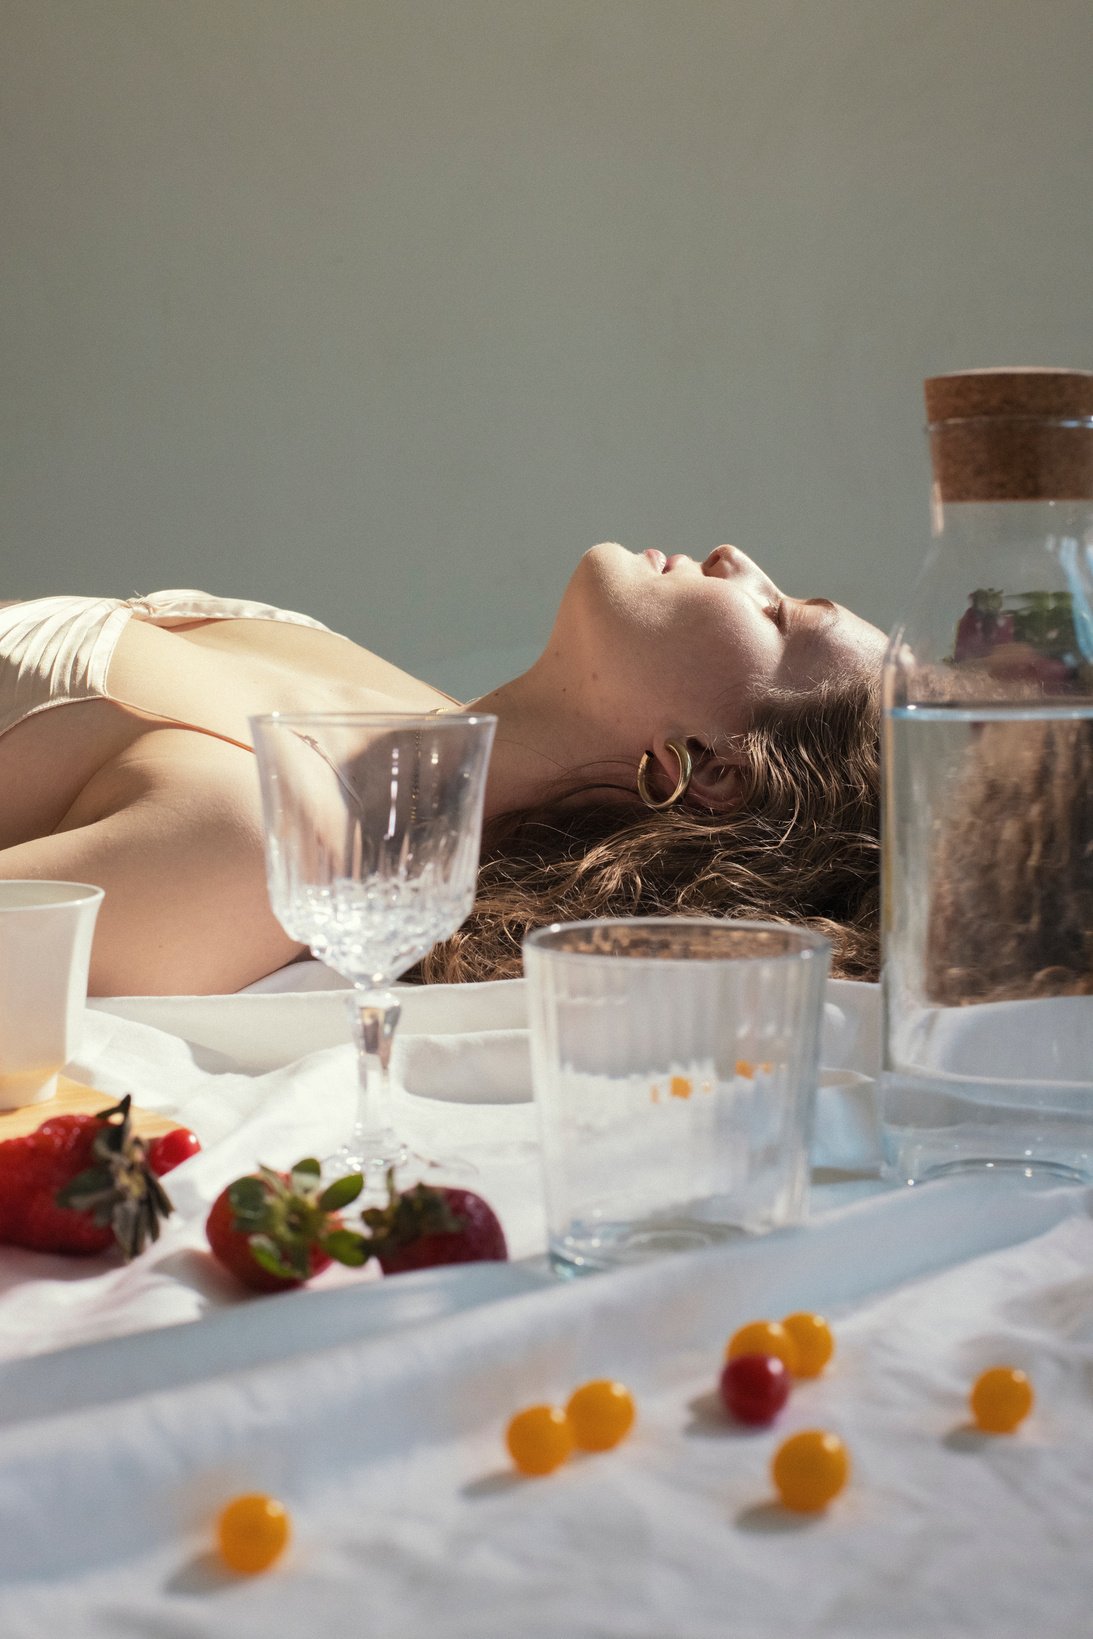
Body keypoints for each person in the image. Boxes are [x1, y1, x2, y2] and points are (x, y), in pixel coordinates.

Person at [0, 543, 886, 995]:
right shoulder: (403, 707)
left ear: (713, 774)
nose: (739, 560)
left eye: (776, 614)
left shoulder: (261, 843)